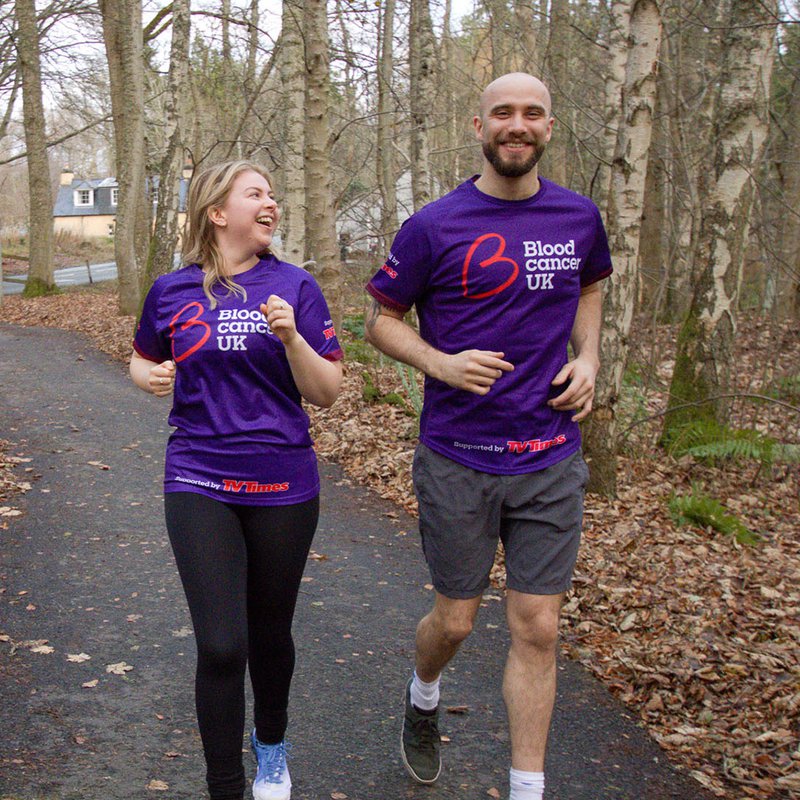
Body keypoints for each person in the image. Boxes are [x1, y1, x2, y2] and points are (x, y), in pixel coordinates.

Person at [364, 73, 613, 800]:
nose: (518, 124)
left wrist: (589, 357)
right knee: (457, 620)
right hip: (457, 458)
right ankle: (422, 693)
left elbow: (591, 286)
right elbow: (378, 318)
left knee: (537, 624)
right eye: (504, 112)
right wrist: (438, 361)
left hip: (550, 455)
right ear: (479, 125)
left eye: (532, 112)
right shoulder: (435, 225)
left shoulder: (578, 217)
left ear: (548, 126)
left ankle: (527, 788)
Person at [130, 160, 343, 800]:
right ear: (218, 212)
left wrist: (291, 339)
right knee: (223, 645)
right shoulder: (172, 290)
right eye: (256, 194)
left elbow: (328, 391)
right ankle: (224, 785)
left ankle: (270, 746)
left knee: (269, 635)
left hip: (283, 483)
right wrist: (151, 378)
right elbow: (142, 360)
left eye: (273, 195)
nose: (270, 203)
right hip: (198, 476)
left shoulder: (296, 287)